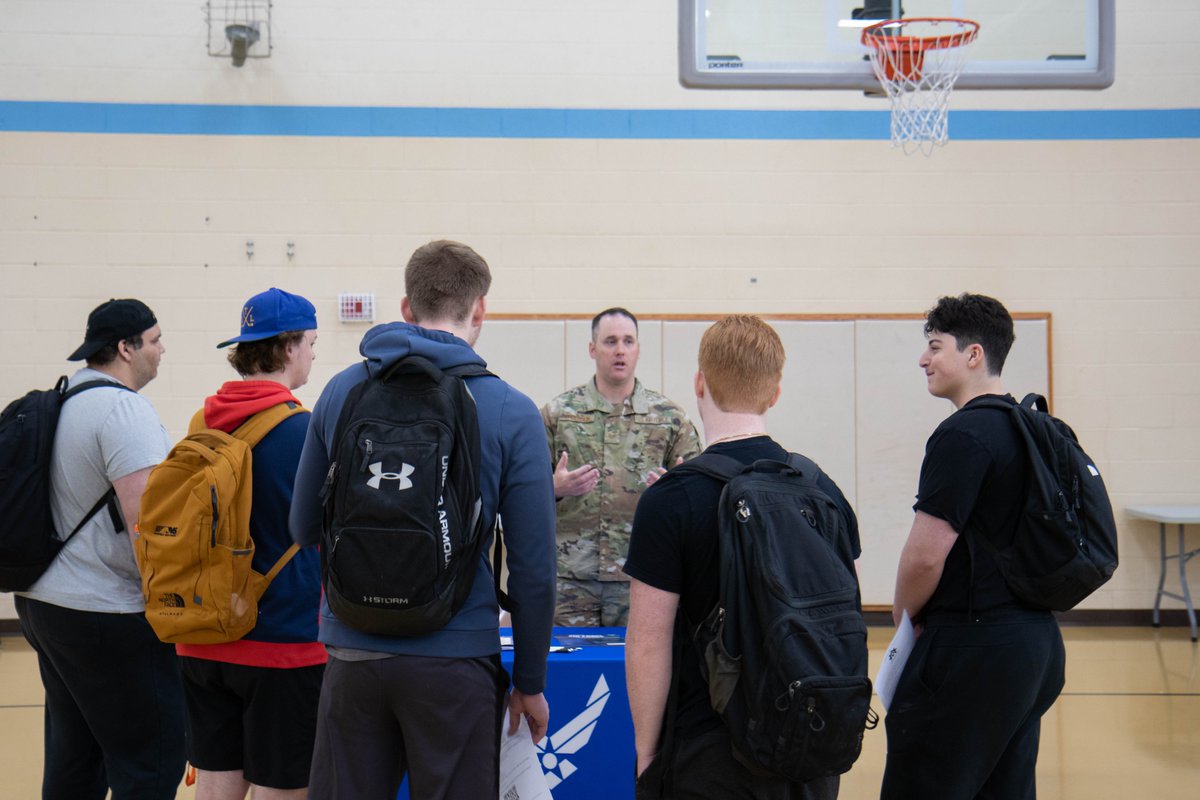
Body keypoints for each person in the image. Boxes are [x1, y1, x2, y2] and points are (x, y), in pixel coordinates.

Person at [289, 240, 557, 799]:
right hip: (454, 664)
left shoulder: (342, 390)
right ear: (479, 310)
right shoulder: (511, 409)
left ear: (406, 307)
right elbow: (533, 568)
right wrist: (529, 682)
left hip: (352, 655)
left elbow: (302, 527)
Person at [624, 315, 860, 800]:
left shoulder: (672, 499)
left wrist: (646, 757)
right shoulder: (821, 489)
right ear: (775, 394)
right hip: (805, 739)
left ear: (699, 384)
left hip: (708, 752)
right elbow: (845, 608)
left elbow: (648, 641)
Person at [881, 293, 1065, 799]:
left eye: (935, 347)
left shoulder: (963, 434)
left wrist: (902, 622)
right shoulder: (1036, 427)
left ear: (974, 355)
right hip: (1035, 648)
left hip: (974, 649)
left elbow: (924, 556)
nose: (924, 359)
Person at [15, 298, 186, 800]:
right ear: (125, 348)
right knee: (151, 761)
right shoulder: (122, 410)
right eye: (154, 340)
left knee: (76, 760)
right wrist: (171, 612)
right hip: (106, 613)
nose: (161, 350)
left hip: (46, 604)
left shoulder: (62, 400)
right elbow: (148, 528)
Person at [174, 288, 325, 800]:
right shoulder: (307, 432)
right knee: (280, 787)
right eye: (309, 342)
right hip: (282, 642)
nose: (311, 353)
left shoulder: (202, 422)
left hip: (202, 634)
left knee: (216, 779)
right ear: (287, 348)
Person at [542, 307, 702, 627]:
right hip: (571, 579)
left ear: (638, 350)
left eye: (628, 341)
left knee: (641, 673)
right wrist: (555, 488)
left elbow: (700, 497)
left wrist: (673, 492)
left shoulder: (669, 417)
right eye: (610, 341)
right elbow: (518, 489)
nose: (620, 350)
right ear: (592, 349)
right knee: (568, 673)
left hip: (644, 577)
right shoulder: (558, 414)